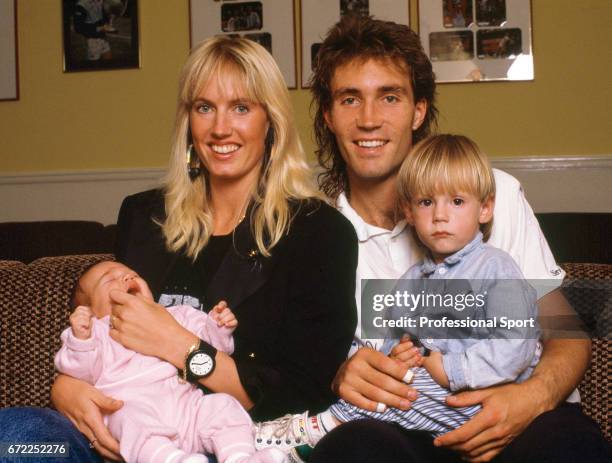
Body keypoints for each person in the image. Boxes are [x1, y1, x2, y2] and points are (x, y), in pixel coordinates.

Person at [0, 36, 358, 463]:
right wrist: (67, 389)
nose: (220, 128)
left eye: (241, 107)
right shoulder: (144, 215)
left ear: (271, 121)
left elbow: (300, 395)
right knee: (15, 438)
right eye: (204, 107)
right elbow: (103, 338)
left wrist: (181, 346)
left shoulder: (320, 233)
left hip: (233, 444)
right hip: (124, 436)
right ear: (189, 120)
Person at [305, 14, 609, 463]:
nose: (369, 119)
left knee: (569, 447)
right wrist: (337, 376)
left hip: (519, 421)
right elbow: (299, 363)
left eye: (389, 97)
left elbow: (568, 335)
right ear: (329, 116)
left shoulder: (493, 193)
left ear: (419, 110)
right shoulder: (317, 233)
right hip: (405, 428)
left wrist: (532, 399)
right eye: (351, 99)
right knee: (352, 450)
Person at [254, 134, 541, 455]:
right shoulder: (413, 280)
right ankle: (304, 447)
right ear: (409, 210)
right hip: (429, 411)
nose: (440, 215)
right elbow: (392, 339)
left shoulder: (496, 268)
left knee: (408, 387)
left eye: (457, 202)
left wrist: (450, 368)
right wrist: (396, 355)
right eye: (426, 202)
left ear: (485, 208)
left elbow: (516, 345)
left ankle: (319, 428)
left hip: (482, 397)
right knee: (391, 385)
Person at [55, 260, 284, 463]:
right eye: (110, 280)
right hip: (134, 412)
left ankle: (240, 457)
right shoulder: (96, 332)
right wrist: (81, 339)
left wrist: (217, 327)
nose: (126, 277)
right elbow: (81, 372)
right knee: (129, 420)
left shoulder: (176, 315)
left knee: (222, 405)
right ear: (90, 311)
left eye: (131, 272)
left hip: (187, 412)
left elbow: (214, 350)